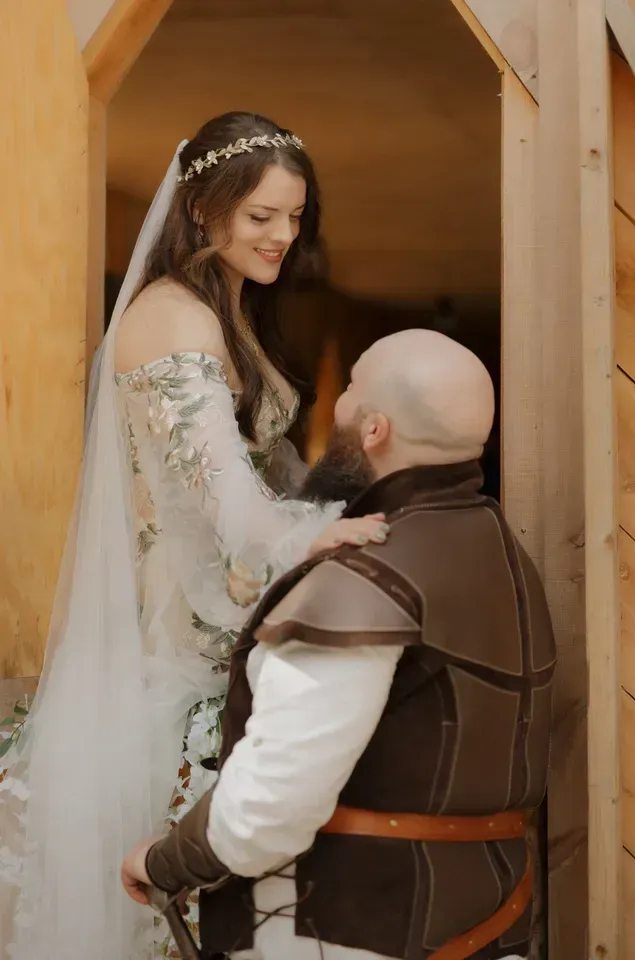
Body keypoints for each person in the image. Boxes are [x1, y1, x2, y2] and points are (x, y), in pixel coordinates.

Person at [0, 113, 387, 960]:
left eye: (294, 216)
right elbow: (240, 523)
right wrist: (342, 533)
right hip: (179, 656)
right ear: (205, 209)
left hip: (216, 634)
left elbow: (265, 486)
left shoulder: (226, 311)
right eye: (261, 217)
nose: (284, 235)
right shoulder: (175, 321)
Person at [122, 328, 557, 960]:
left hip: (347, 936)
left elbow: (265, 815)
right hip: (494, 928)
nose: (339, 403)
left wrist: (162, 862)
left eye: (350, 389)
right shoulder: (506, 555)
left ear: (374, 429)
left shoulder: (364, 582)